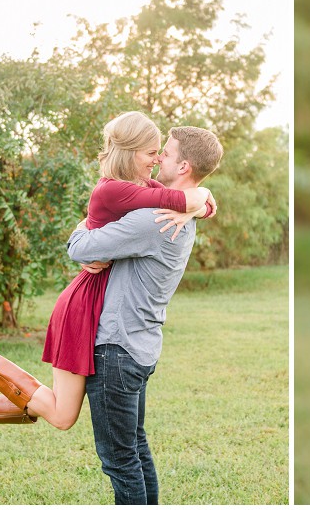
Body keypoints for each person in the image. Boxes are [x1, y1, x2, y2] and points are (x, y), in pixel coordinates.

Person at [0, 111, 215, 452]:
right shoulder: (115, 191)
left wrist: (198, 204)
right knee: (63, 414)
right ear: (130, 151)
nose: (157, 159)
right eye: (152, 152)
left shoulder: (143, 188)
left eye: (162, 152)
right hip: (84, 303)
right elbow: (84, 243)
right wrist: (191, 202)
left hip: (94, 300)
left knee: (62, 410)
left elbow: (200, 199)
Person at [66, 125, 223, 504]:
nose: (157, 158)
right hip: (141, 346)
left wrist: (82, 228)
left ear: (183, 165)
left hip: (116, 350)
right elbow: (199, 200)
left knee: (120, 461)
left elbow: (80, 247)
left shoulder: (153, 220)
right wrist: (200, 203)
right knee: (135, 449)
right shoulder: (177, 215)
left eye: (165, 154)